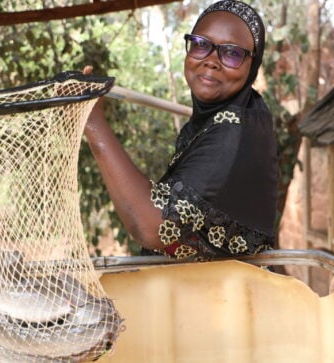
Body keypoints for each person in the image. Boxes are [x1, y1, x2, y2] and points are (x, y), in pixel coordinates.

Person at [84, 0, 278, 259]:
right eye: (201, 45)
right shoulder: (232, 115)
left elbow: (153, 227)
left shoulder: (235, 130)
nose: (211, 61)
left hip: (226, 295)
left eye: (231, 53)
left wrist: (93, 123)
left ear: (252, 65)